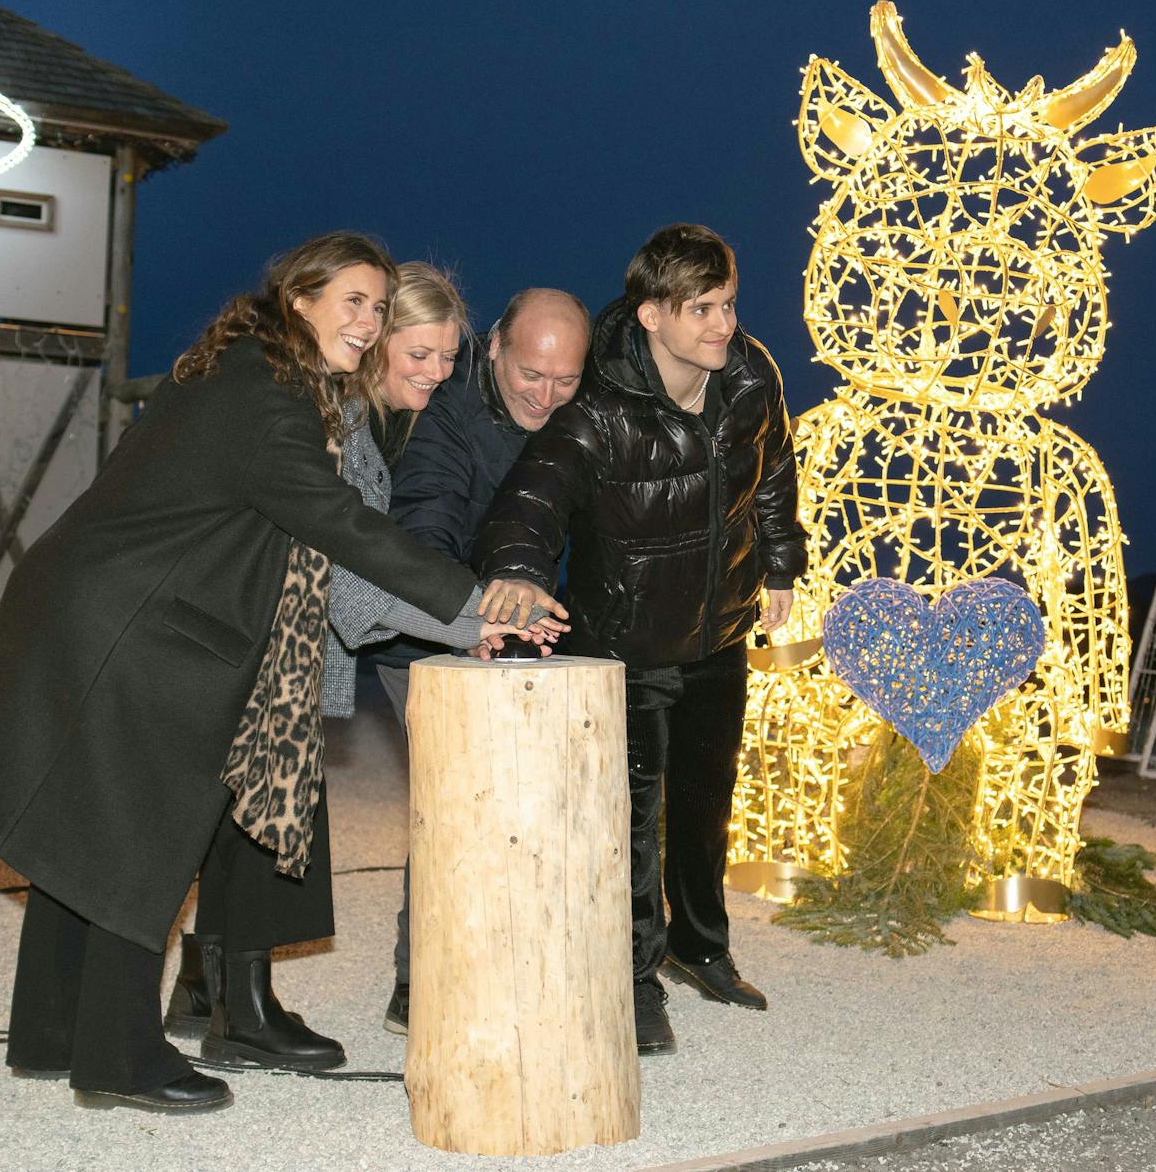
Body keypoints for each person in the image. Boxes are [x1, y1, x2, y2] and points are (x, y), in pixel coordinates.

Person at [0, 233, 559, 1115]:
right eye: (354, 302)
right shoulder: (270, 391)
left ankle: (55, 1031)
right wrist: (474, 600)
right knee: (136, 847)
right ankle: (120, 1057)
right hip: (135, 625)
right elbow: (338, 523)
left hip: (109, 607)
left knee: (84, 830)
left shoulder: (263, 372)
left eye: (377, 305)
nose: (368, 322)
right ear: (300, 297)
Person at [161, 265, 565, 1060]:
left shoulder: (367, 418)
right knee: (262, 817)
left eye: (449, 358)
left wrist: (463, 617)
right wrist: (468, 618)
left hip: (260, 637)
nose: (437, 374)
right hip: (258, 644)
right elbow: (356, 584)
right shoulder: (339, 426)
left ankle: (205, 990)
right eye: (419, 353)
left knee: (234, 816)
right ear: (373, 340)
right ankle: (241, 1015)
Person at [474, 224, 805, 1056]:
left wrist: (780, 567)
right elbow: (530, 496)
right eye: (703, 309)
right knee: (632, 819)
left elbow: (772, 472)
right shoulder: (600, 407)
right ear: (653, 313)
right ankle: (631, 975)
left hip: (719, 631)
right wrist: (515, 567)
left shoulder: (751, 376)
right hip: (627, 645)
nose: (723, 324)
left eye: (729, 303)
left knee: (706, 803)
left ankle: (703, 948)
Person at [367, 286, 590, 1033]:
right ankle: (418, 984)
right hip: (425, 636)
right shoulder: (448, 417)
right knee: (454, 806)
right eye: (532, 373)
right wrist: (470, 615)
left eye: (566, 381)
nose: (546, 394)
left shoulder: (573, 420)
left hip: (506, 632)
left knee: (514, 810)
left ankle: (503, 963)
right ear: (494, 347)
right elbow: (425, 526)